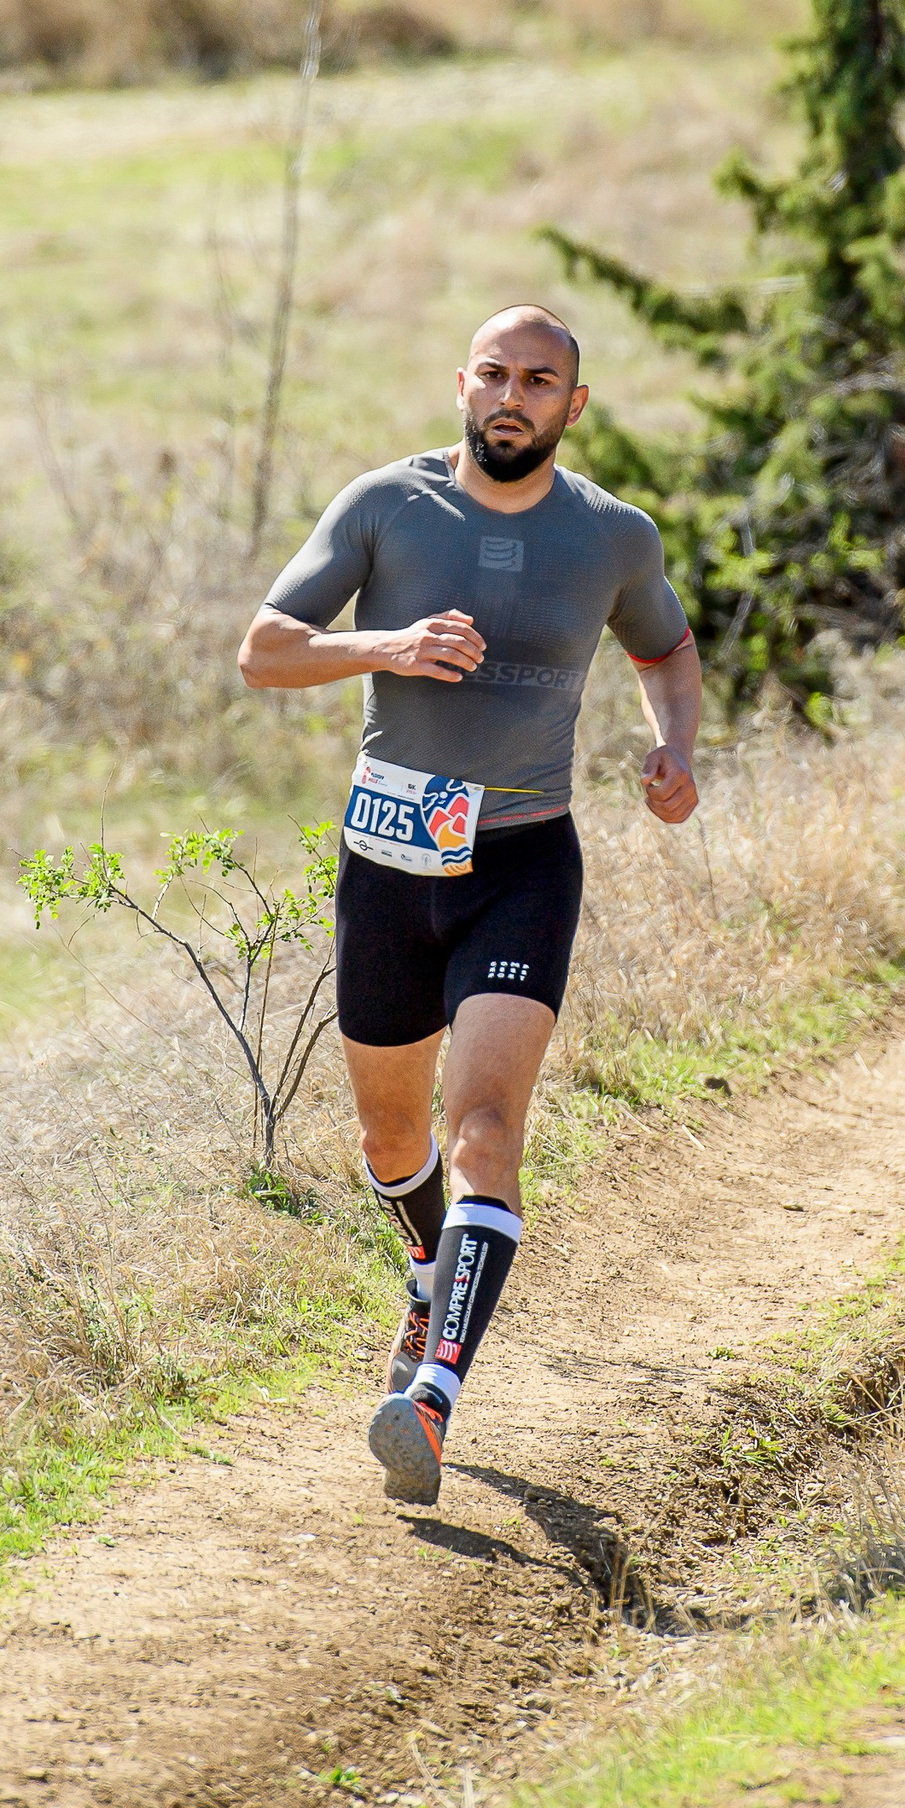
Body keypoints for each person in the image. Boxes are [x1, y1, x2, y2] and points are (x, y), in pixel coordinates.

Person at [237, 305, 702, 1506]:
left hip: (520, 865)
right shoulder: (386, 506)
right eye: (493, 374)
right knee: (393, 1146)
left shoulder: (611, 534)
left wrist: (674, 748)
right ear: (460, 382)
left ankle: (429, 1401)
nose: (512, 396)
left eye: (538, 381)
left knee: (484, 1134)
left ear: (572, 406)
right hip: (388, 868)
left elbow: (667, 650)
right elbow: (266, 650)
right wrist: (384, 647)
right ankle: (421, 1274)